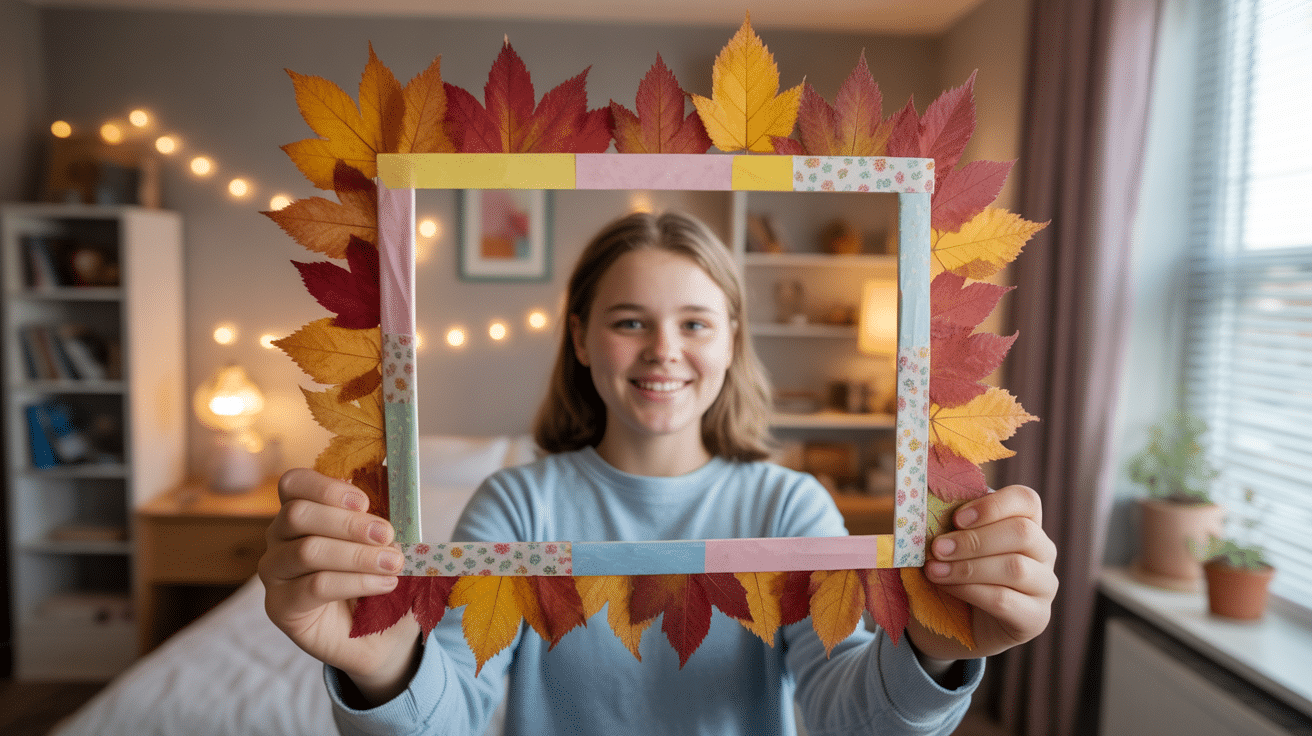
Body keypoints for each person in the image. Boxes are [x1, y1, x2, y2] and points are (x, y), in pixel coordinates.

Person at [259, 211, 1059, 736]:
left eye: (694, 323)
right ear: (579, 338)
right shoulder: (518, 504)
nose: (663, 350)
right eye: (629, 321)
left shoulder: (787, 505)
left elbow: (848, 715)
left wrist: (931, 650)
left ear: (732, 340)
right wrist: (377, 663)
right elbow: (451, 710)